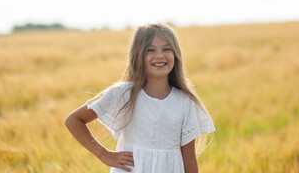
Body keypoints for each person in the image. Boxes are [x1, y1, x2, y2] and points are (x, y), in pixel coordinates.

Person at [65, 23, 215, 173]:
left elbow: (189, 160)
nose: (160, 55)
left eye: (166, 49)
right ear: (138, 56)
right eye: (150, 50)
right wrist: (104, 155)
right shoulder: (124, 94)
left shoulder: (185, 103)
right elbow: (74, 120)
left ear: (175, 54)